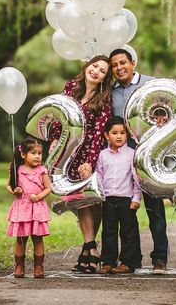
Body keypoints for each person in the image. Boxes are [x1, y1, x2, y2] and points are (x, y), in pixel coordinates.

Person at [49, 55, 112, 273]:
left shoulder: (104, 98)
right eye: (95, 66)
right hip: (69, 152)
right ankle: (91, 249)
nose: (96, 71)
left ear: (106, 77)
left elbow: (98, 133)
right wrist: (55, 138)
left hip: (89, 154)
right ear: (87, 65)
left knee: (92, 202)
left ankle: (89, 250)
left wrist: (89, 160)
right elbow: (60, 114)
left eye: (102, 70)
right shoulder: (70, 87)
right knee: (79, 201)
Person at [109, 48, 169, 275]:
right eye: (114, 65)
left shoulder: (151, 84)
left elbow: (171, 108)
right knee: (126, 213)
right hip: (122, 161)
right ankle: (130, 260)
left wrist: (164, 114)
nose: (119, 68)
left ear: (133, 63)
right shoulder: (110, 92)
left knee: (155, 209)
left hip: (149, 158)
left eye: (122, 62)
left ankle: (160, 259)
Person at [95, 116, 142, 274]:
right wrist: (99, 195)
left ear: (127, 134)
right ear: (107, 135)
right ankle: (108, 261)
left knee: (128, 232)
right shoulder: (103, 155)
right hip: (108, 199)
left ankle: (127, 262)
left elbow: (137, 179)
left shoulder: (132, 154)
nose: (119, 136)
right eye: (114, 133)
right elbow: (99, 176)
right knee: (109, 231)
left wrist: (136, 198)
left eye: (122, 132)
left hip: (126, 199)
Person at [6, 136, 51, 279]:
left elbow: (48, 188)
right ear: (23, 154)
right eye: (33, 153)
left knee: (38, 239)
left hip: (36, 208)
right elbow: (9, 185)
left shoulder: (42, 170)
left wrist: (39, 196)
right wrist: (14, 190)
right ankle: (19, 266)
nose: (37, 156)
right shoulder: (17, 169)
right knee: (21, 239)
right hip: (22, 208)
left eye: (39, 153)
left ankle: (39, 267)